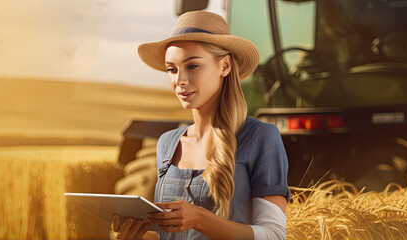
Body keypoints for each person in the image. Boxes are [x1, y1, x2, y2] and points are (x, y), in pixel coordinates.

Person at [112, 11, 290, 240]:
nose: (180, 81)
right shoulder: (167, 143)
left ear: (224, 66)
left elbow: (274, 235)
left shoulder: (260, 137)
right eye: (172, 69)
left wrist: (199, 218)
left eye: (192, 66)